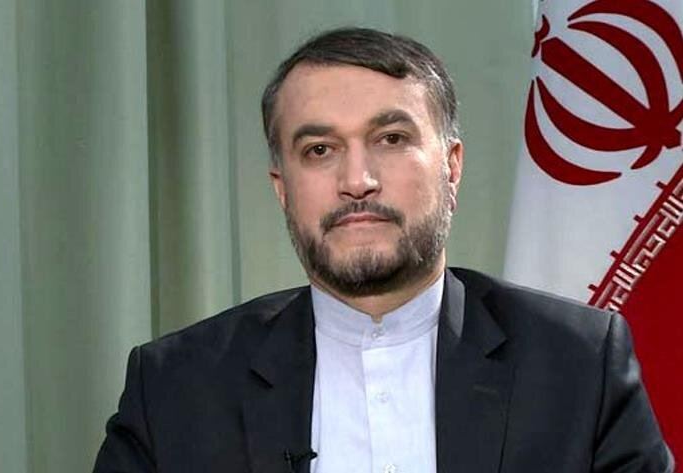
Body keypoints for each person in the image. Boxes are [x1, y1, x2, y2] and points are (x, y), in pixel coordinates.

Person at [93, 27, 674, 473]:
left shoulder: (579, 365)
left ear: (451, 168)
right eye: (319, 150)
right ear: (282, 188)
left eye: (391, 139)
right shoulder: (175, 388)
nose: (358, 180)